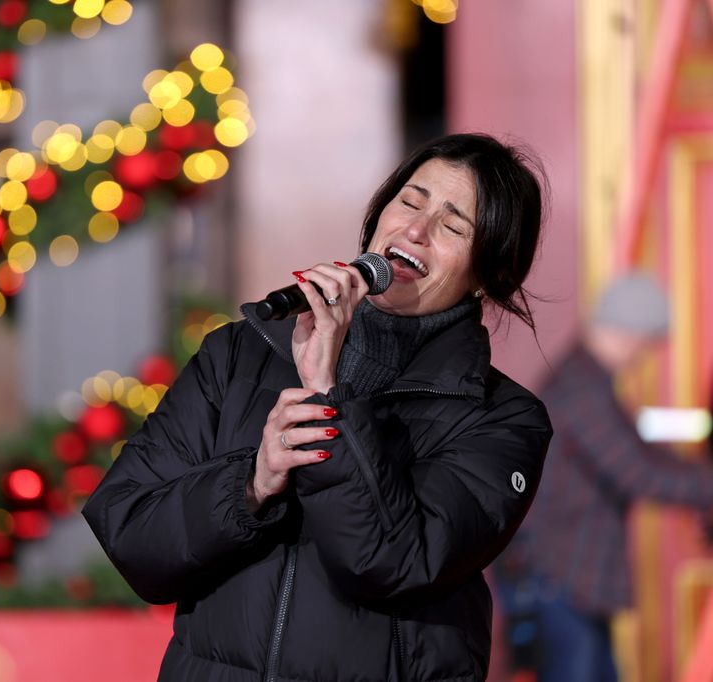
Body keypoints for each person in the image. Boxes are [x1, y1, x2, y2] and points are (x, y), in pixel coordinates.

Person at [83, 133, 553, 682]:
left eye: (453, 227)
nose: (416, 230)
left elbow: (393, 563)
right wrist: (252, 483)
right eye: (410, 201)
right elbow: (131, 535)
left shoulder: (503, 419)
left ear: (491, 275)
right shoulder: (239, 355)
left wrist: (330, 395)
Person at [499, 272, 713, 682]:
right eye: (647, 343)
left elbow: (640, 454)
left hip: (570, 579)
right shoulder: (581, 389)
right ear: (631, 333)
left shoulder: (589, 379)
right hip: (561, 578)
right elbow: (638, 473)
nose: (643, 356)